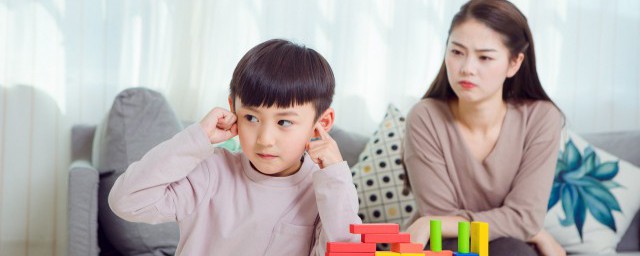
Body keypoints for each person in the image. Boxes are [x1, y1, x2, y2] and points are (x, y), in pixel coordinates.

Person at [108, 39, 361, 255]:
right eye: (251, 118)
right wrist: (196, 139)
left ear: (322, 122)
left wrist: (336, 178)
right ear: (233, 109)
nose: (265, 139)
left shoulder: (323, 191)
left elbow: (344, 249)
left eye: (284, 122)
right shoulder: (211, 172)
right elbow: (126, 200)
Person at [402, 1, 566, 255]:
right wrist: (527, 227)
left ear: (514, 63)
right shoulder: (425, 117)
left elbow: (526, 217)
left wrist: (527, 225)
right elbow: (438, 219)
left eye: (485, 57)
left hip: (511, 246)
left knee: (511, 249)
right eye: (457, 52)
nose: (467, 68)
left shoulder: (542, 119)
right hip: (441, 245)